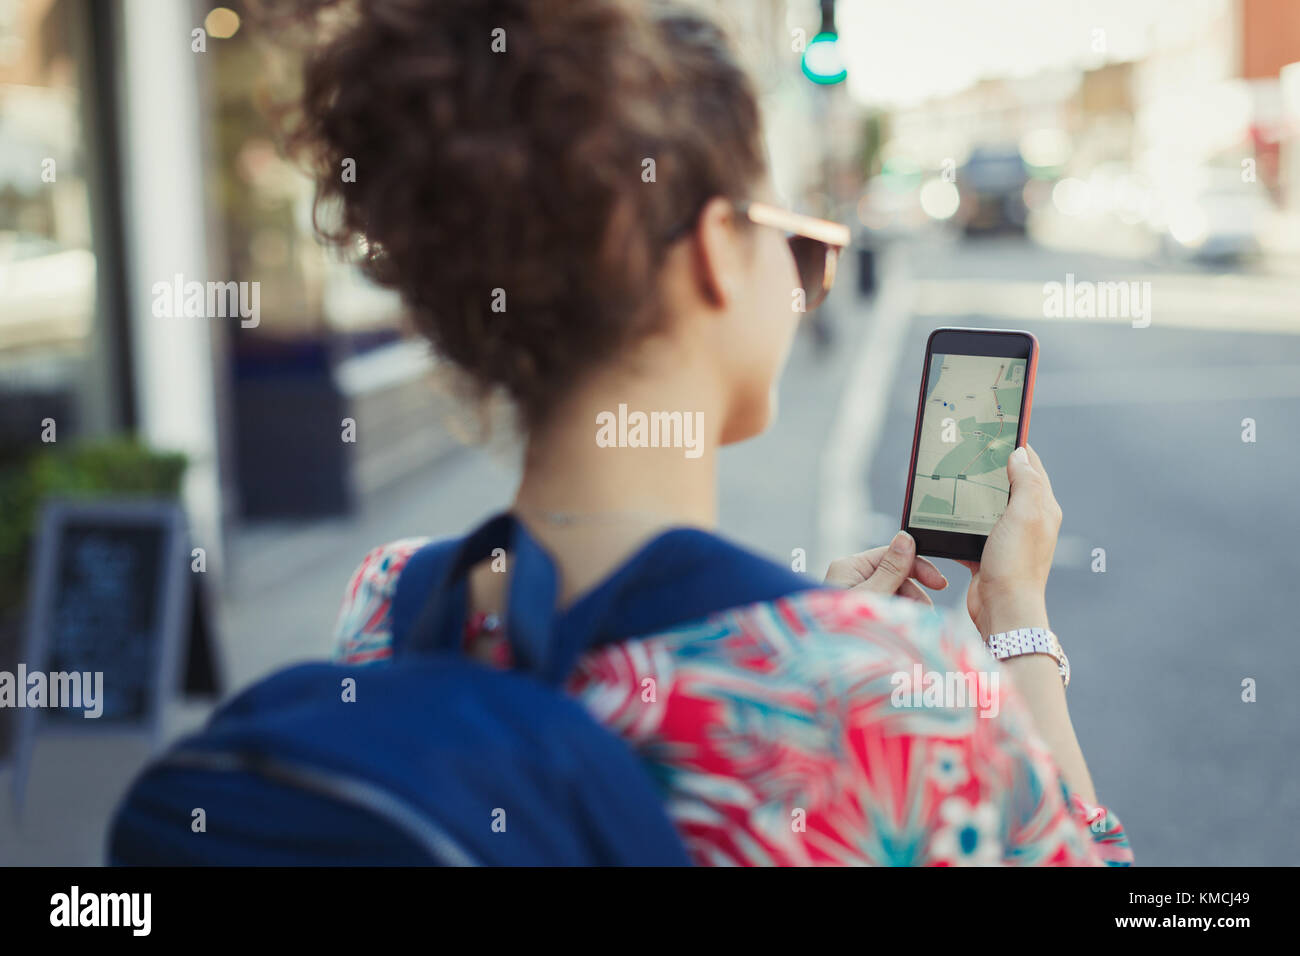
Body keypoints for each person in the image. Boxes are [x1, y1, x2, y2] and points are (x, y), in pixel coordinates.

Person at [280, 0, 1133, 865]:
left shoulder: (388, 603)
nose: (808, 276)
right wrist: (1018, 622)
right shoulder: (886, 700)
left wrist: (820, 638)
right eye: (795, 239)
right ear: (717, 250)